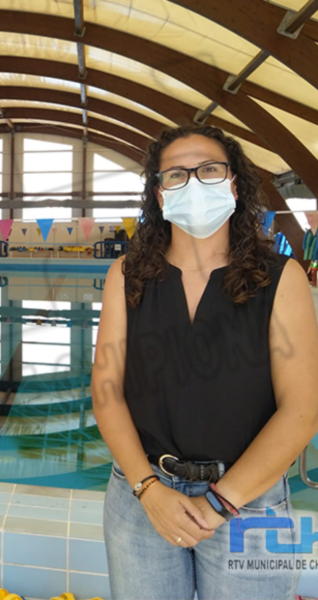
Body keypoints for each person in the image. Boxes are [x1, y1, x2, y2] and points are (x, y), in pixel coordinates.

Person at [92, 125, 318, 600]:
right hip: (142, 496)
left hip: (249, 504)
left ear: (234, 183)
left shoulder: (282, 279)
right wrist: (147, 488)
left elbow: (302, 408)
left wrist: (221, 503)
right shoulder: (127, 275)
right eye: (176, 174)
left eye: (209, 169)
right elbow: (107, 389)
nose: (194, 182)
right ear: (158, 192)